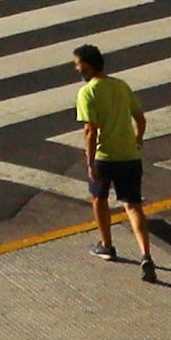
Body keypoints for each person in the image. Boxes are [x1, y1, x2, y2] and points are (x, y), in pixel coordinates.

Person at [70, 42, 153, 275]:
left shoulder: (87, 92)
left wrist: (90, 162)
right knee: (133, 205)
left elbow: (90, 130)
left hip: (104, 158)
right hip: (129, 156)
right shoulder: (120, 86)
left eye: (77, 65)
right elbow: (140, 118)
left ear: (86, 66)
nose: (76, 69)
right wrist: (138, 139)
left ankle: (106, 245)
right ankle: (145, 254)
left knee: (99, 198)